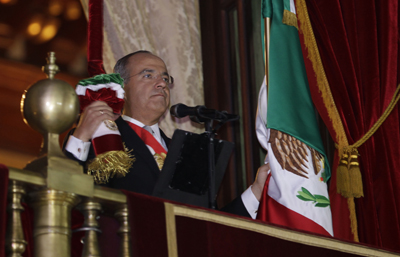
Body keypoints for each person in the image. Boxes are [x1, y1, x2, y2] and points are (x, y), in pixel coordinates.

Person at [64, 50, 268, 218]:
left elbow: (207, 225)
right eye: (148, 75)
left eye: (164, 77)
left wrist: (256, 191)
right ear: (121, 87)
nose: (161, 83)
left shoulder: (185, 153)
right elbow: (67, 193)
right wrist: (81, 136)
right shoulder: (102, 137)